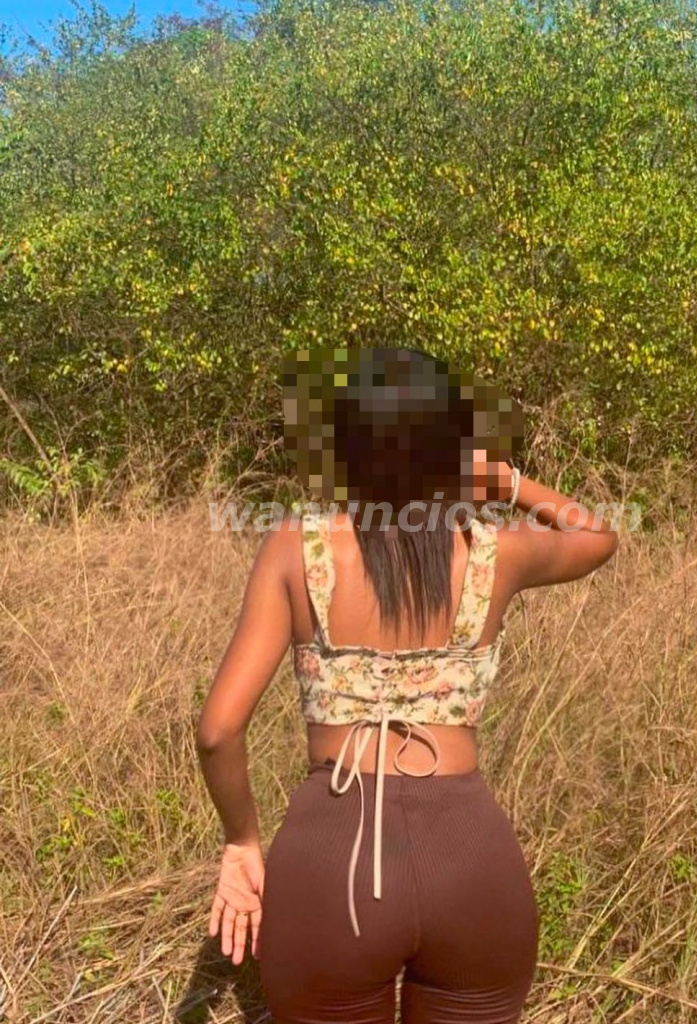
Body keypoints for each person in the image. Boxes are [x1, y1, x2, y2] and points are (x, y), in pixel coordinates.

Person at [195, 349, 619, 1024]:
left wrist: (241, 841)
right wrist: (504, 480)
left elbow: (218, 730)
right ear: (453, 446)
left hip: (331, 861)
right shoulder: (494, 549)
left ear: (342, 447)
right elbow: (595, 535)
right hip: (471, 862)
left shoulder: (296, 546)